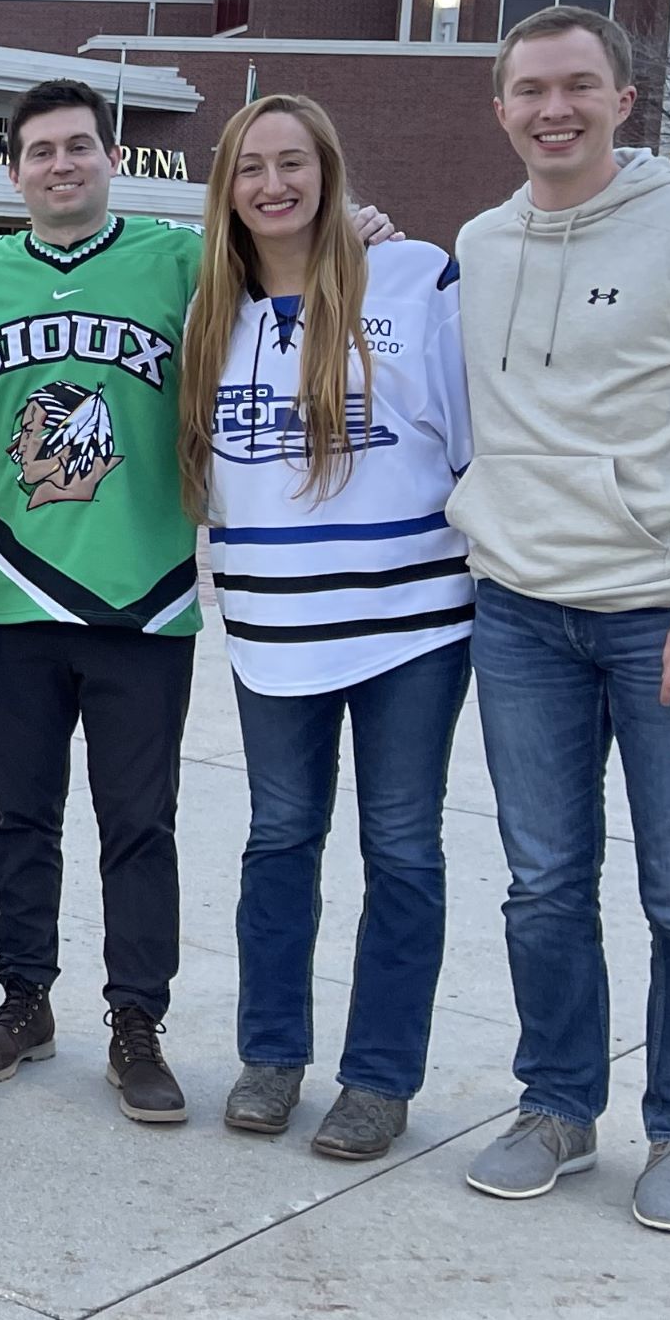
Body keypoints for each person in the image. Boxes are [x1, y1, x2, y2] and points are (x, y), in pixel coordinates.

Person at [451, 6, 670, 1234]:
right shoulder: (480, 241)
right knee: (541, 883)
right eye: (526, 89)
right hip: (517, 616)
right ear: (497, 107)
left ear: (622, 97)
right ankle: (554, 1104)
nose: (550, 108)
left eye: (575, 86)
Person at [180, 95, 472, 1162]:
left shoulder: (413, 275)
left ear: (327, 169)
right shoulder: (208, 301)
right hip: (270, 629)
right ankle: (270, 1055)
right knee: (277, 841)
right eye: (249, 166)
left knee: (398, 849)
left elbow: (473, 434)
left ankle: (379, 1077)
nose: (271, 183)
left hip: (412, 623)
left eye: (291, 162)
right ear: (226, 186)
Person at [0, 78, 203, 1125]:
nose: (59, 163)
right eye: (40, 150)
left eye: (78, 146)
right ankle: (23, 997)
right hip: (8, 591)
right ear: (12, 172)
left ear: (110, 158)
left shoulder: (179, 260)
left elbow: (294, 265)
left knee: (139, 820)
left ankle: (136, 1017)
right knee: (20, 815)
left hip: (145, 591)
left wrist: (356, 227)